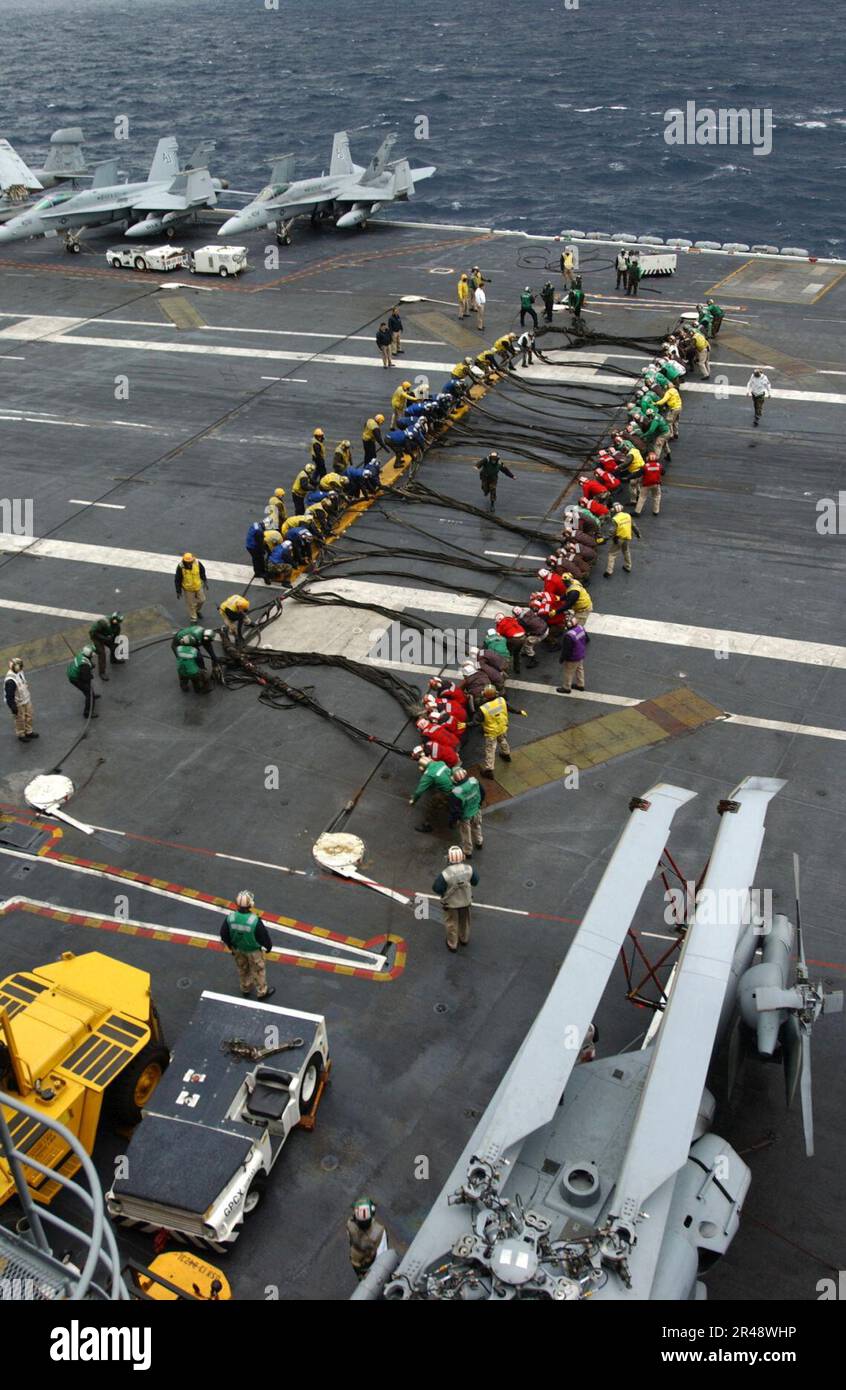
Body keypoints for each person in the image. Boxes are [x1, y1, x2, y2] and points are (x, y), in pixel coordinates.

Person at [220, 890, 275, 1000]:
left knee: (243, 969)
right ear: (251, 905)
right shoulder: (254, 920)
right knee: (258, 971)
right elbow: (264, 937)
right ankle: (262, 992)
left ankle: (245, 989)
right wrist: (268, 947)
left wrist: (231, 947)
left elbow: (223, 934)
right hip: (253, 951)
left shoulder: (230, 918)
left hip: (238, 949)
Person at [432, 846, 479, 951]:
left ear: (449, 859)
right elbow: (475, 881)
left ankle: (452, 944)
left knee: (452, 923)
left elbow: (437, 888)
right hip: (466, 901)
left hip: (451, 904)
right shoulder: (469, 869)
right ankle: (464, 938)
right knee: (465, 921)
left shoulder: (445, 874)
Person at [408, 753, 454, 832]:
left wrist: (413, 800)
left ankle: (427, 825)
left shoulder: (429, 774)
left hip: (447, 792)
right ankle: (451, 810)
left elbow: (419, 791)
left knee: (433, 805)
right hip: (456, 787)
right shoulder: (440, 763)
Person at [449, 767, 485, 857]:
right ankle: (479, 842)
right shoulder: (473, 780)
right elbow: (483, 792)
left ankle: (467, 851)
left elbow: (455, 810)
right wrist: (479, 804)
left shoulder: (456, 791)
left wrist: (453, 821)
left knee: (466, 834)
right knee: (477, 826)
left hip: (465, 816)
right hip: (476, 810)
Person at [347, 1198, 386, 1281]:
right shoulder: (380, 1231)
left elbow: (350, 1239)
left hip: (355, 1261)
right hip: (370, 1263)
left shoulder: (350, 1224)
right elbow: (382, 1255)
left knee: (362, 1279)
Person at [478, 684, 511, 778]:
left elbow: (477, 720)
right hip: (502, 727)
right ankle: (506, 754)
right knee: (503, 740)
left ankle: (489, 770)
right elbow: (510, 708)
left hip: (491, 732)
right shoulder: (501, 700)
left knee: (490, 749)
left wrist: (467, 724)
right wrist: (519, 711)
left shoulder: (484, 707)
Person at [604, 502, 641, 577]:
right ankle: (628, 566)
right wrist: (638, 534)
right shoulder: (628, 515)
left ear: (614, 510)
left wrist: (606, 538)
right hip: (627, 538)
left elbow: (612, 531)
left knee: (612, 554)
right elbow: (633, 526)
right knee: (626, 551)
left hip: (618, 539)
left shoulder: (615, 519)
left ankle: (609, 571)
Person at [5, 657, 37, 742]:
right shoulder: (10, 681)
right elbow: (9, 696)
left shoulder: (19, 672)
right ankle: (21, 734)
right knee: (20, 719)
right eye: (20, 666)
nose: (21, 668)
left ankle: (29, 731)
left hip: (26, 699)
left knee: (29, 716)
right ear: (16, 667)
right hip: (18, 703)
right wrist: (13, 707)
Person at [556, 613, 587, 694]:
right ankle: (580, 684)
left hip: (573, 657)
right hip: (580, 653)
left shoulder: (569, 635)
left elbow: (567, 650)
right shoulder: (580, 627)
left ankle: (566, 687)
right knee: (579, 669)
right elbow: (586, 639)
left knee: (568, 672)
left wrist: (562, 658)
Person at [88, 612, 125, 680]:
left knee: (114, 645)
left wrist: (114, 643)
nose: (117, 623)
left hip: (107, 637)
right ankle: (102, 672)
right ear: (113, 619)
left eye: (118, 622)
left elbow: (116, 636)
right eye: (116, 621)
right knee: (102, 653)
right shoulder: (103, 622)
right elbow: (92, 632)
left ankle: (113, 659)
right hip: (97, 638)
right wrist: (104, 638)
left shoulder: (117, 627)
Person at [67, 646, 99, 719]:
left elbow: (87, 661)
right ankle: (87, 713)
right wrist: (90, 675)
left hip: (75, 674)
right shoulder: (85, 666)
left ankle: (92, 695)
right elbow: (86, 678)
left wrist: (91, 665)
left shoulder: (81, 655)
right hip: (75, 679)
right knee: (88, 692)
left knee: (87, 688)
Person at [174, 553, 208, 621]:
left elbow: (202, 572)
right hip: (188, 589)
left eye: (190, 562)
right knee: (191, 604)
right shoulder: (181, 567)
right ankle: (193, 618)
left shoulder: (197, 563)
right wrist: (178, 591)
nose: (189, 563)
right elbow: (177, 579)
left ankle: (196, 610)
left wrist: (205, 581)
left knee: (202, 600)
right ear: (184, 561)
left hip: (198, 586)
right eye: (188, 562)